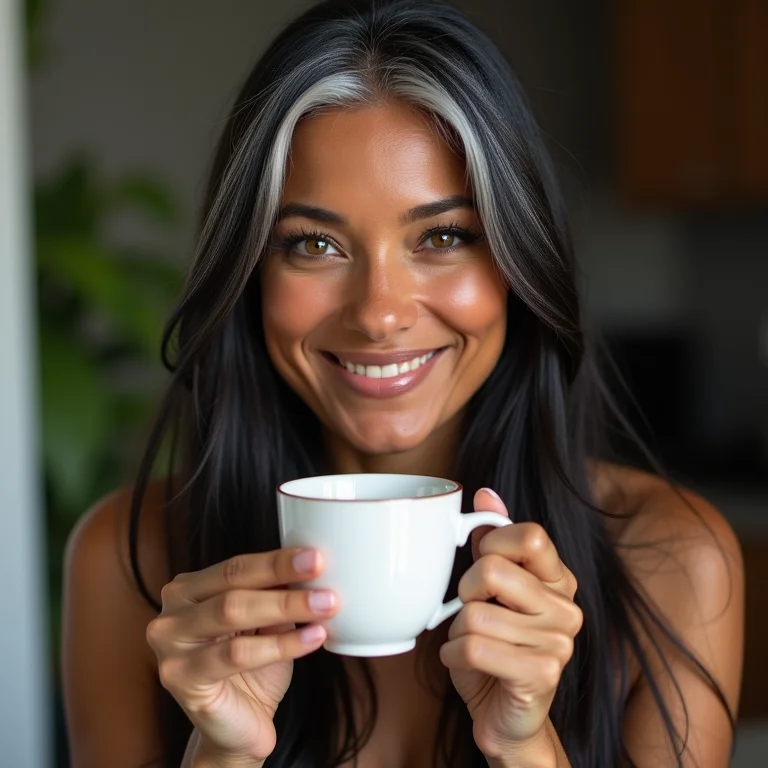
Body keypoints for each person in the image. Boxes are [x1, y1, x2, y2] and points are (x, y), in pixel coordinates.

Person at [61, 1, 744, 766]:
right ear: (249, 272)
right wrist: (223, 753)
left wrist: (526, 746)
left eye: (444, 237)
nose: (380, 314)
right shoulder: (130, 564)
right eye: (314, 244)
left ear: (520, 263)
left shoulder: (671, 561)